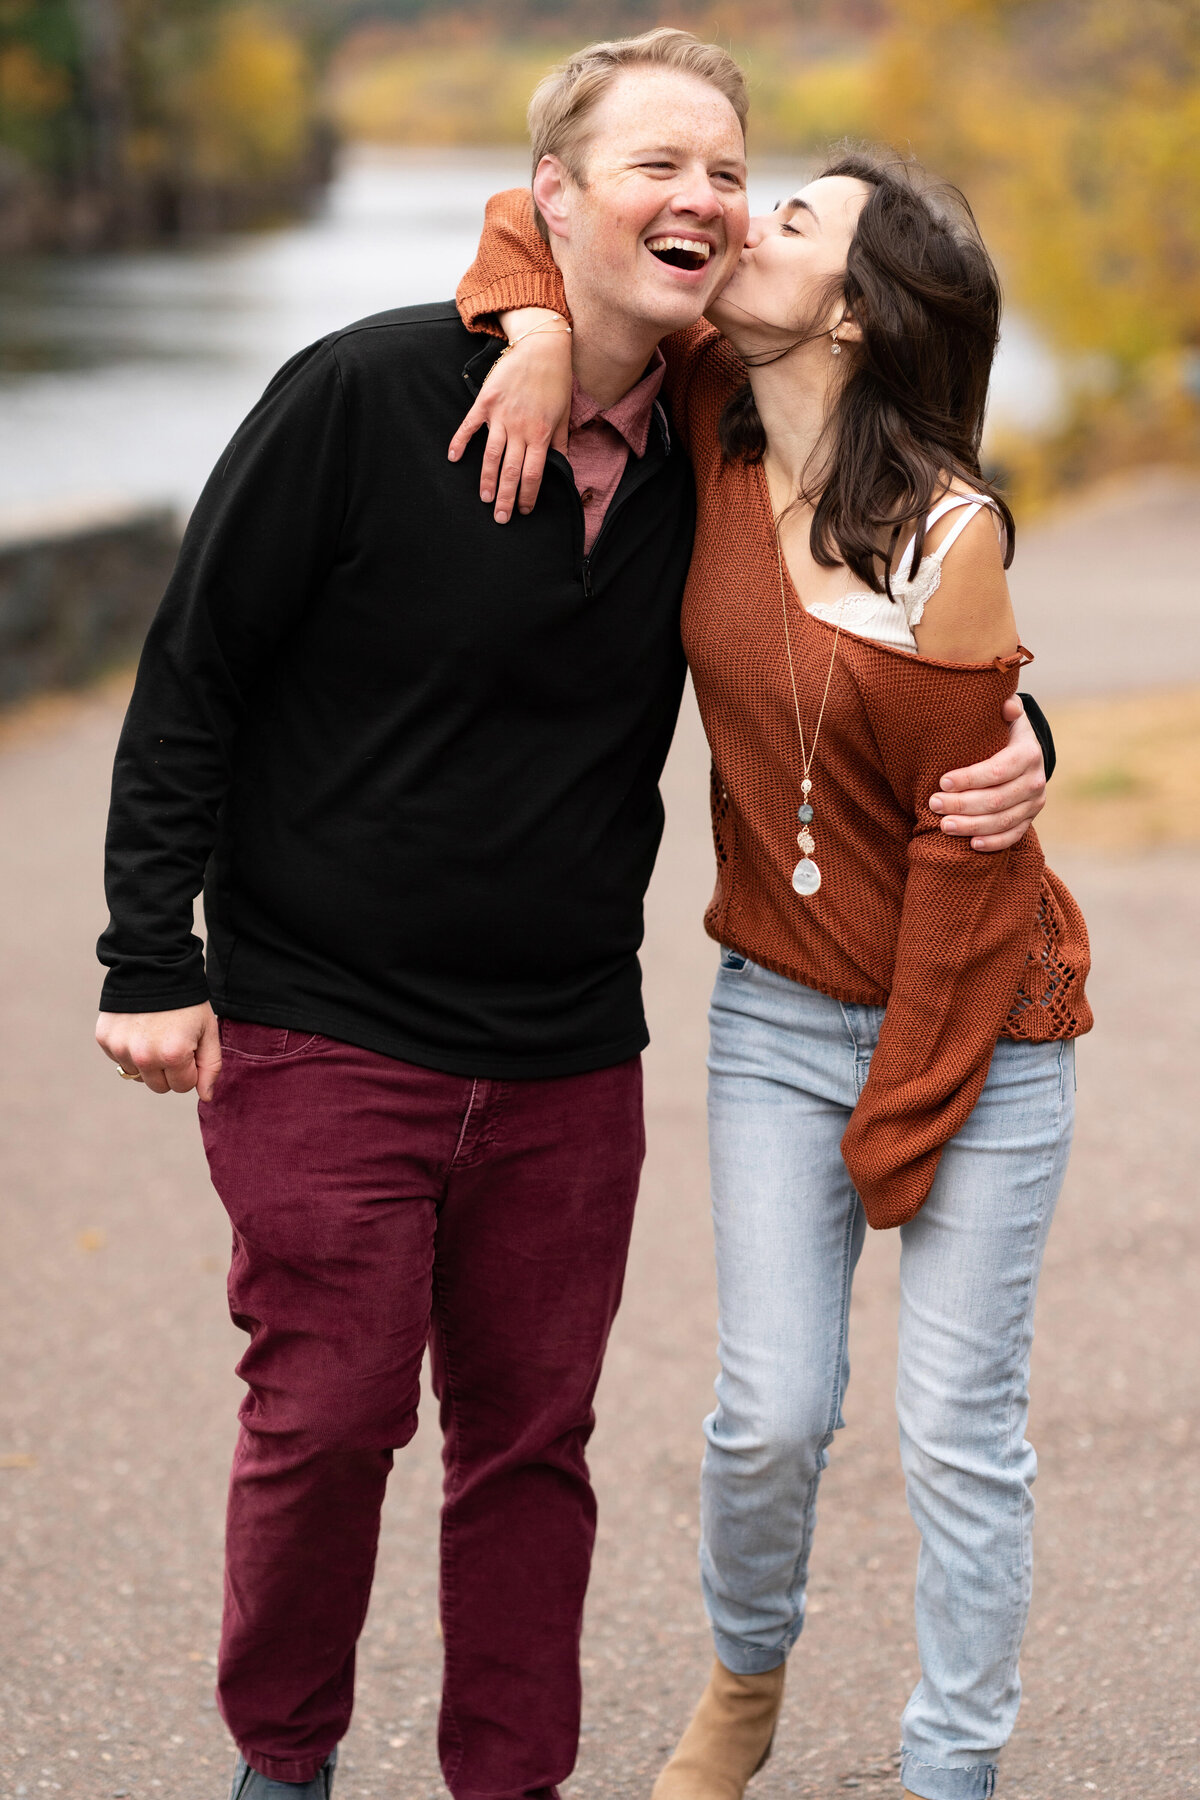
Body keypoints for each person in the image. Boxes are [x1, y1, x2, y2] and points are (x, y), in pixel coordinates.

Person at [94, 30, 1051, 1800]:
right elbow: (193, 674)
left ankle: (511, 1781)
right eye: (654, 166)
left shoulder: (715, 425)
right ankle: (280, 1763)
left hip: (563, 1053)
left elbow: (896, 610)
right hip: (324, 1018)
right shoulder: (366, 396)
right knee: (328, 1414)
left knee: (530, 1445)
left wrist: (1029, 745)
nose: (700, 199)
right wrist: (151, 953)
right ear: (550, 201)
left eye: (727, 171)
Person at [449, 134, 1091, 1800]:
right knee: (769, 1416)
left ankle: (953, 1763)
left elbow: (970, 861)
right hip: (779, 1015)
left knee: (959, 1432)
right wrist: (528, 337)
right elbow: (536, 220)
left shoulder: (950, 542)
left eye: (789, 216)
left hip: (984, 1023)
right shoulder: (707, 410)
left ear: (859, 315)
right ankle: (745, 1687)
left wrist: (906, 1112)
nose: (741, 220)